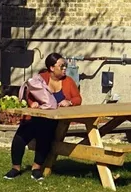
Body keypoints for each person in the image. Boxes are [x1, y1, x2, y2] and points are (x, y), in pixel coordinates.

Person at [7, 52, 80, 180]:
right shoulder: (40, 78)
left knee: (45, 133)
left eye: (65, 66)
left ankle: (36, 168)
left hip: (54, 120)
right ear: (52, 68)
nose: (65, 68)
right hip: (36, 118)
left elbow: (78, 98)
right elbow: (29, 94)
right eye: (61, 66)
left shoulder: (68, 81)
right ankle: (15, 168)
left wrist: (69, 102)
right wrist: (32, 103)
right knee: (21, 135)